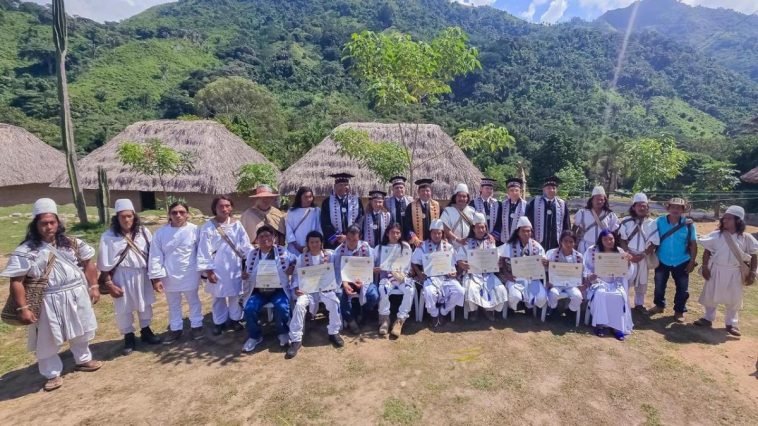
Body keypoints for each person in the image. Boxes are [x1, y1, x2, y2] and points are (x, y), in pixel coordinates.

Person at [1, 198, 102, 391]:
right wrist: (23, 308)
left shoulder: (72, 244)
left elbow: (89, 263)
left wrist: (94, 286)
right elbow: (16, 281)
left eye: (52, 222)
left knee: (80, 328)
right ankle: (52, 373)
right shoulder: (26, 251)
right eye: (44, 223)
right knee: (46, 337)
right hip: (48, 298)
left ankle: (83, 359)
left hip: (76, 293)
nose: (49, 227)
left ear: (58, 222)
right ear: (36, 225)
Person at [98, 199, 161, 355]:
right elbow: (103, 264)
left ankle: (146, 331)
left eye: (129, 216)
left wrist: (155, 277)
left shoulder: (144, 233)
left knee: (145, 303)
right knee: (123, 307)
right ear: (117, 218)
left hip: (142, 273)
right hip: (121, 275)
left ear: (134, 216)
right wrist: (109, 283)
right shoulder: (108, 236)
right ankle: (128, 336)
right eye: (122, 217)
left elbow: (152, 255)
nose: (126, 220)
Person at [694, 206, 757, 336]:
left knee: (734, 299)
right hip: (716, 269)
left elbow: (754, 255)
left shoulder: (746, 238)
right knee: (711, 294)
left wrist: (753, 272)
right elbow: (707, 251)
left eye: (728, 218)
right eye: (724, 218)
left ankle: (731, 324)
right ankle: (708, 318)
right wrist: (705, 267)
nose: (724, 221)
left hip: (735, 272)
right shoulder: (716, 235)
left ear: (737, 221)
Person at [148, 201, 203, 344]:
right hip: (169, 274)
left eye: (182, 212)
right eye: (174, 212)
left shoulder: (195, 230)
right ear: (169, 215)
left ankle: (196, 326)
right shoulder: (160, 233)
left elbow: (202, 252)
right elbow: (155, 255)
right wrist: (156, 278)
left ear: (187, 214)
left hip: (190, 273)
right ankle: (176, 328)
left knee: (194, 301)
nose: (178, 215)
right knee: (173, 304)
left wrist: (203, 271)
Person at [197, 196, 252, 336]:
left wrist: (250, 263)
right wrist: (209, 272)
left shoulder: (236, 225)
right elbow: (204, 250)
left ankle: (235, 319)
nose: (224, 209)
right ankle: (219, 322)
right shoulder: (207, 227)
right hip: (216, 267)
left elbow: (245, 245)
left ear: (231, 207)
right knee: (218, 297)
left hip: (234, 266)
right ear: (215, 208)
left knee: (235, 294)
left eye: (227, 205)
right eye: (221, 206)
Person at [287, 231, 344, 358]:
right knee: (300, 305)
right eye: (312, 242)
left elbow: (337, 270)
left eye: (317, 242)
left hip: (326, 290)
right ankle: (296, 339)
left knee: (335, 302)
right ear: (308, 243)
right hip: (308, 291)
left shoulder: (330, 255)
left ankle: (334, 332)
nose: (314, 244)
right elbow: (296, 275)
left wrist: (334, 284)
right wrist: (296, 287)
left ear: (321, 243)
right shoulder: (302, 258)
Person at [242, 225, 297, 353]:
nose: (265, 238)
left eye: (268, 235)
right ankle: (255, 336)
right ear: (256, 240)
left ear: (274, 238)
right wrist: (245, 274)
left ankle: (282, 332)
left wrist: (292, 267)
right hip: (258, 291)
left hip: (278, 290)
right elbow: (247, 270)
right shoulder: (253, 254)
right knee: (249, 308)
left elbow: (296, 260)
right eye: (261, 236)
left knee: (282, 307)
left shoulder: (282, 251)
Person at [648, 197, 698, 323]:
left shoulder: (689, 224)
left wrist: (692, 261)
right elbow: (652, 237)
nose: (676, 209)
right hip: (662, 259)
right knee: (659, 285)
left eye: (679, 207)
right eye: (673, 207)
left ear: (683, 210)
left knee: (682, 288)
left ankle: (679, 311)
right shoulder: (659, 221)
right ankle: (659, 305)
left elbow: (693, 244)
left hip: (682, 260)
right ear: (668, 208)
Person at [411, 219, 464, 327]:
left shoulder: (448, 247)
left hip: (446, 278)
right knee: (429, 293)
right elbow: (413, 262)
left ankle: (444, 312)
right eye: (434, 233)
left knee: (460, 291)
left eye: (439, 233)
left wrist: (455, 273)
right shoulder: (423, 246)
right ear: (430, 233)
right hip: (430, 278)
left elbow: (456, 263)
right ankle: (434, 314)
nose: (436, 235)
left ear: (442, 234)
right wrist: (419, 273)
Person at [584, 230, 634, 341]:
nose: (608, 241)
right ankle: (599, 325)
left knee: (618, 295)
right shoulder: (592, 250)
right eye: (605, 239)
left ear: (615, 239)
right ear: (601, 240)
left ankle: (616, 327)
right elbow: (586, 267)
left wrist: (628, 262)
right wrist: (590, 276)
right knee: (601, 293)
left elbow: (627, 273)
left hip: (615, 282)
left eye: (611, 239)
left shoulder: (620, 252)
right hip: (598, 282)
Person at [457, 213, 507, 321]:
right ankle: (473, 311)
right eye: (478, 227)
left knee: (500, 289)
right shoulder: (467, 243)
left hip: (488, 274)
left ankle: (489, 310)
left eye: (483, 227)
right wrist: (461, 263)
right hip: (472, 274)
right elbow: (459, 258)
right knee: (470, 288)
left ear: (486, 228)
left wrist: (499, 263)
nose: (481, 229)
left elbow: (496, 258)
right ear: (473, 229)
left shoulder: (490, 242)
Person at [374, 223, 416, 337]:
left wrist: (406, 273)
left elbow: (408, 265)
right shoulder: (380, 248)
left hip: (401, 277)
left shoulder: (405, 247)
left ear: (401, 234)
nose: (395, 235)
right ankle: (385, 319)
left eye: (398, 233)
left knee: (410, 290)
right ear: (387, 233)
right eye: (392, 232)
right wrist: (375, 269)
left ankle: (400, 320)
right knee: (383, 289)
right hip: (386, 277)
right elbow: (371, 265)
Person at [498, 217, 548, 314]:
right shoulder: (510, 245)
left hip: (532, 278)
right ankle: (513, 308)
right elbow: (502, 260)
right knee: (515, 296)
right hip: (515, 278)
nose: (526, 233)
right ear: (518, 232)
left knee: (541, 297)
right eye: (524, 231)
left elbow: (544, 260)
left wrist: (545, 262)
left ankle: (529, 306)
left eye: (529, 231)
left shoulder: (536, 246)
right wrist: (507, 274)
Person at [333, 225, 377, 334]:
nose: (352, 242)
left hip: (363, 280)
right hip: (346, 281)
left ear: (360, 238)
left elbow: (370, 265)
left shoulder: (365, 248)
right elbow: (338, 271)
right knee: (340, 294)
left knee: (374, 295)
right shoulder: (339, 251)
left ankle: (364, 313)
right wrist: (345, 283)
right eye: (349, 239)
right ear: (345, 237)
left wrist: (363, 280)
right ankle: (350, 319)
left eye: (355, 240)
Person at [618, 193, 656, 312]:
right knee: (627, 280)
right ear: (634, 207)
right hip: (628, 256)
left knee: (642, 282)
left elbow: (654, 242)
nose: (641, 208)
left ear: (647, 207)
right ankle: (623, 302)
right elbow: (622, 239)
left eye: (644, 205)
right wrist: (628, 254)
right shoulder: (625, 221)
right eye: (639, 205)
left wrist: (643, 255)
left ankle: (639, 304)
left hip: (643, 256)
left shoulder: (652, 223)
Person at [545, 230, 584, 320]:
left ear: (574, 243)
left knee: (578, 296)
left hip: (571, 284)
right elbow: (547, 270)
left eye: (571, 242)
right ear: (561, 241)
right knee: (553, 293)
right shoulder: (553, 253)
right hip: (556, 283)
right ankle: (553, 309)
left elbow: (581, 272)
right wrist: (548, 280)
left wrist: (582, 284)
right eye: (565, 241)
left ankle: (570, 312)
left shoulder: (579, 256)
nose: (568, 244)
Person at [525, 175, 570, 251]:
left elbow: (566, 223)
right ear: (544, 189)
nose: (551, 190)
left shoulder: (562, 204)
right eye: (549, 188)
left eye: (554, 188)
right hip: (537, 241)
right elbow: (529, 220)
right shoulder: (535, 202)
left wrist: (566, 238)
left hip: (556, 242)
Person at [321, 173, 364, 249]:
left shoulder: (356, 201)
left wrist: (349, 236)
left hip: (352, 240)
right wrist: (337, 237)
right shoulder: (327, 202)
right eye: (340, 185)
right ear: (335, 187)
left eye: (346, 185)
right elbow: (325, 222)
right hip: (335, 242)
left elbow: (360, 219)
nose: (344, 187)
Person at [572, 186, 619, 253]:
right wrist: (574, 244)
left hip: (603, 247)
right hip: (585, 247)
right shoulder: (582, 212)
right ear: (592, 200)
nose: (599, 201)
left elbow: (615, 231)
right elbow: (574, 229)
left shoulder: (610, 215)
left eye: (602, 200)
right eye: (597, 199)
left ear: (605, 201)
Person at [285, 186, 321, 256]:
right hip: (294, 247)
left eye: (310, 197)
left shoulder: (316, 211)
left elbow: (319, 229)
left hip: (312, 246)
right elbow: (288, 229)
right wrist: (297, 246)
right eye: (305, 197)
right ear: (300, 198)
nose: (309, 199)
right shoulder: (292, 212)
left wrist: (314, 244)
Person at [404, 178, 440, 247]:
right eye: (422, 191)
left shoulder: (437, 206)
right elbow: (407, 226)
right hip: (417, 244)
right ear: (418, 192)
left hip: (434, 243)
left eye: (427, 191)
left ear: (431, 192)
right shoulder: (411, 207)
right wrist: (414, 238)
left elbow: (441, 226)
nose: (425, 193)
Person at [441, 183, 476, 249]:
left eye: (464, 196)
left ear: (467, 198)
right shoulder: (448, 211)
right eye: (459, 196)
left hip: (469, 246)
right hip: (452, 247)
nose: (461, 198)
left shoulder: (472, 211)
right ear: (455, 197)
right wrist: (457, 239)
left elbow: (477, 227)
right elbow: (445, 228)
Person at [500, 177, 528, 245]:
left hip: (520, 241)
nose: (514, 193)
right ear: (508, 192)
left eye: (516, 190)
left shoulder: (526, 206)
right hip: (504, 240)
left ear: (520, 192)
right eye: (511, 190)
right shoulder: (502, 205)